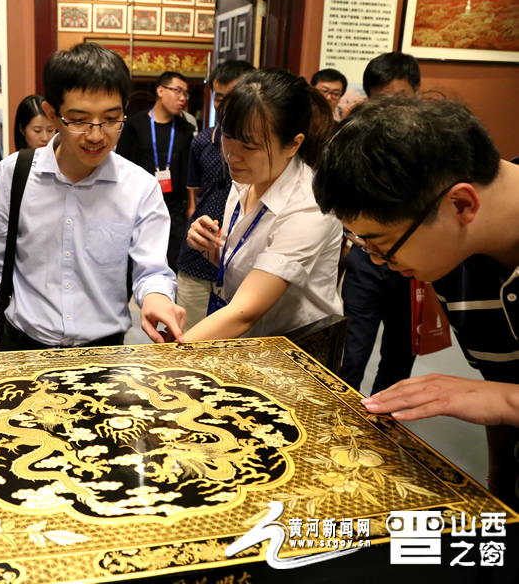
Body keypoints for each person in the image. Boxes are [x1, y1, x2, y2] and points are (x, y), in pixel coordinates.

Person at [312, 93, 519, 510]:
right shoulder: (451, 256)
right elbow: (498, 385)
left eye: (383, 245)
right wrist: (498, 488)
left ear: (461, 204)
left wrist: (506, 399)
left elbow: (501, 399)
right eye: (362, 244)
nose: (378, 261)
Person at [0, 43, 185, 352]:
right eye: (79, 120)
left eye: (111, 118)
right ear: (52, 114)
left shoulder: (141, 187)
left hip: (105, 353)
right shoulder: (14, 174)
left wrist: (157, 297)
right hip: (22, 346)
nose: (96, 135)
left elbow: (152, 269)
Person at [184, 68, 342, 341]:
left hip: (297, 348)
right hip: (250, 342)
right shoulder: (247, 178)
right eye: (227, 136)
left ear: (293, 144)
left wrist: (165, 356)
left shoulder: (310, 207)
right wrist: (208, 244)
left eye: (249, 146)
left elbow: (244, 313)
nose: (232, 155)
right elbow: (242, 260)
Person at [338, 52, 422, 396]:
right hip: (365, 258)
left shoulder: (434, 141)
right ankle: (342, 416)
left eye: (400, 97)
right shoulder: (356, 137)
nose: (391, 108)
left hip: (415, 263)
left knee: (400, 355)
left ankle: (386, 418)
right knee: (351, 352)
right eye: (380, 99)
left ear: (416, 91)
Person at [176, 60, 254, 330]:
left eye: (234, 96)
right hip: (197, 257)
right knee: (189, 335)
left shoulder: (262, 148)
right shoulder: (202, 141)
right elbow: (194, 195)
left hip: (243, 264)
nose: (226, 105)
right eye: (219, 97)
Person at [116, 71, 195, 273]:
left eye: (185, 94)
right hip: (138, 207)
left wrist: (191, 205)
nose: (182, 98)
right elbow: (121, 165)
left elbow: (189, 170)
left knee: (172, 266)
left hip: (174, 210)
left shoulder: (185, 129)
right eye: (177, 91)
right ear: (160, 90)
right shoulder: (135, 125)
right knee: (136, 266)